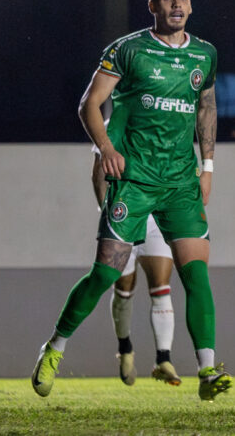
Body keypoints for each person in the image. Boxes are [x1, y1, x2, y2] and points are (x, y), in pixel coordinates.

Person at [31, 0, 230, 401]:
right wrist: (105, 148)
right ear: (153, 6)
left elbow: (206, 107)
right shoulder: (128, 49)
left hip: (179, 182)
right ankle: (54, 347)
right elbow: (90, 103)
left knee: (196, 275)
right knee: (104, 274)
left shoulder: (205, 55)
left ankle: (208, 370)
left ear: (191, 5)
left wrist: (208, 166)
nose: (176, 4)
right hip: (134, 180)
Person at [92, 148, 181, 387]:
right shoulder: (114, 123)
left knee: (161, 286)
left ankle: (164, 359)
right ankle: (125, 348)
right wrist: (106, 213)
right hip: (123, 216)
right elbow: (98, 173)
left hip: (155, 218)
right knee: (124, 286)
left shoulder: (164, 116)